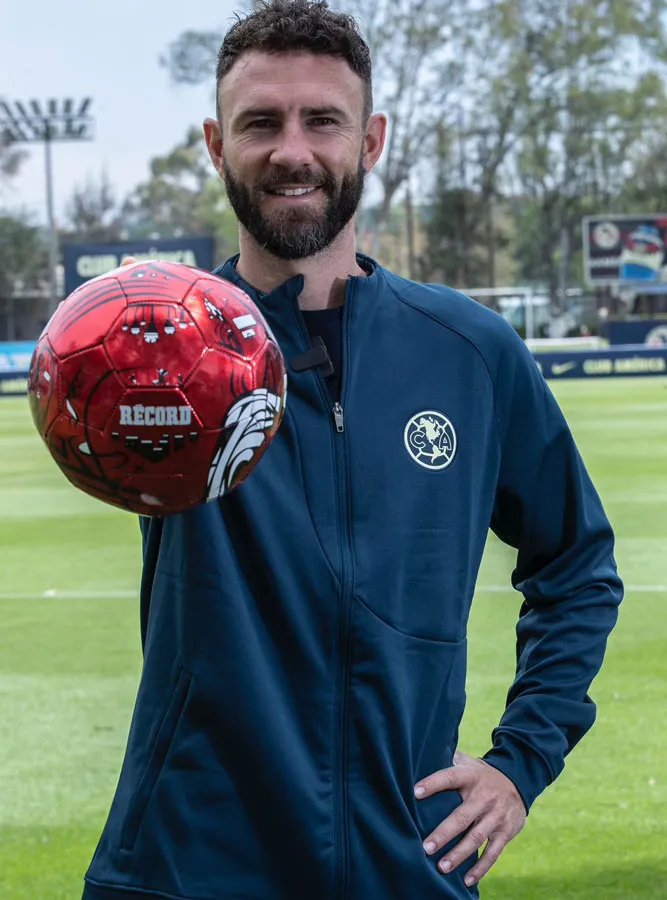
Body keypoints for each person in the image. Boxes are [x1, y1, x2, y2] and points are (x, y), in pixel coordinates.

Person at [82, 2, 623, 898]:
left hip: (405, 861)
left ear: (368, 140)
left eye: (321, 120)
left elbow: (577, 565)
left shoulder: (471, 351)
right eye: (260, 122)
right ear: (216, 145)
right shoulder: (156, 352)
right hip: (189, 858)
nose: (291, 149)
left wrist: (519, 762)